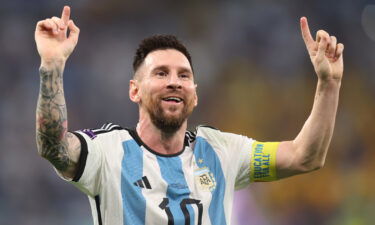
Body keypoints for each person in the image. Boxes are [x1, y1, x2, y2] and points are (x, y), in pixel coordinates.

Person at [35, 5, 344, 225]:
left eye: (184, 75)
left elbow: (305, 156)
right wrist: (51, 66)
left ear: (194, 94)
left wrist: (329, 84)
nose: (174, 81)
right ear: (134, 91)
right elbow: (54, 147)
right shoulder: (107, 152)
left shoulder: (223, 152)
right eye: (160, 73)